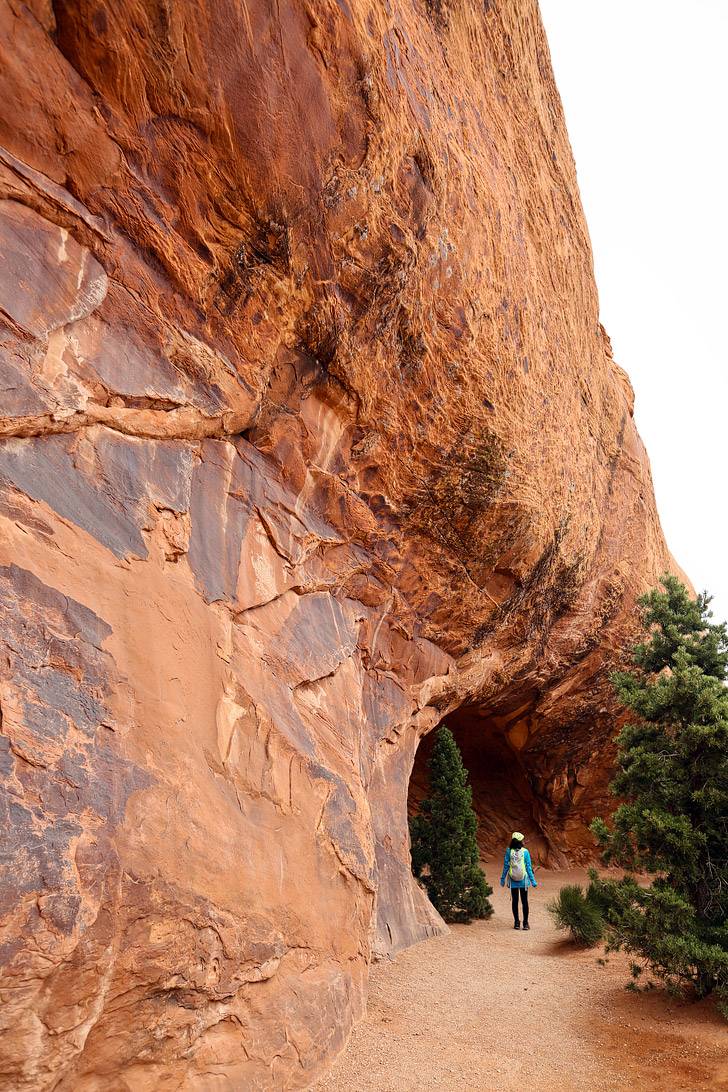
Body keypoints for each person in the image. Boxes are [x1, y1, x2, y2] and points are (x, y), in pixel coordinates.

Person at [500, 831, 537, 929]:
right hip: (523, 880)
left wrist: (503, 879)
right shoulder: (525, 852)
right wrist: (533, 881)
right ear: (521, 841)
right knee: (525, 901)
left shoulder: (509, 851)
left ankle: (516, 922)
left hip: (513, 879)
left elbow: (506, 866)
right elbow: (528, 867)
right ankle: (525, 923)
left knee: (515, 901)